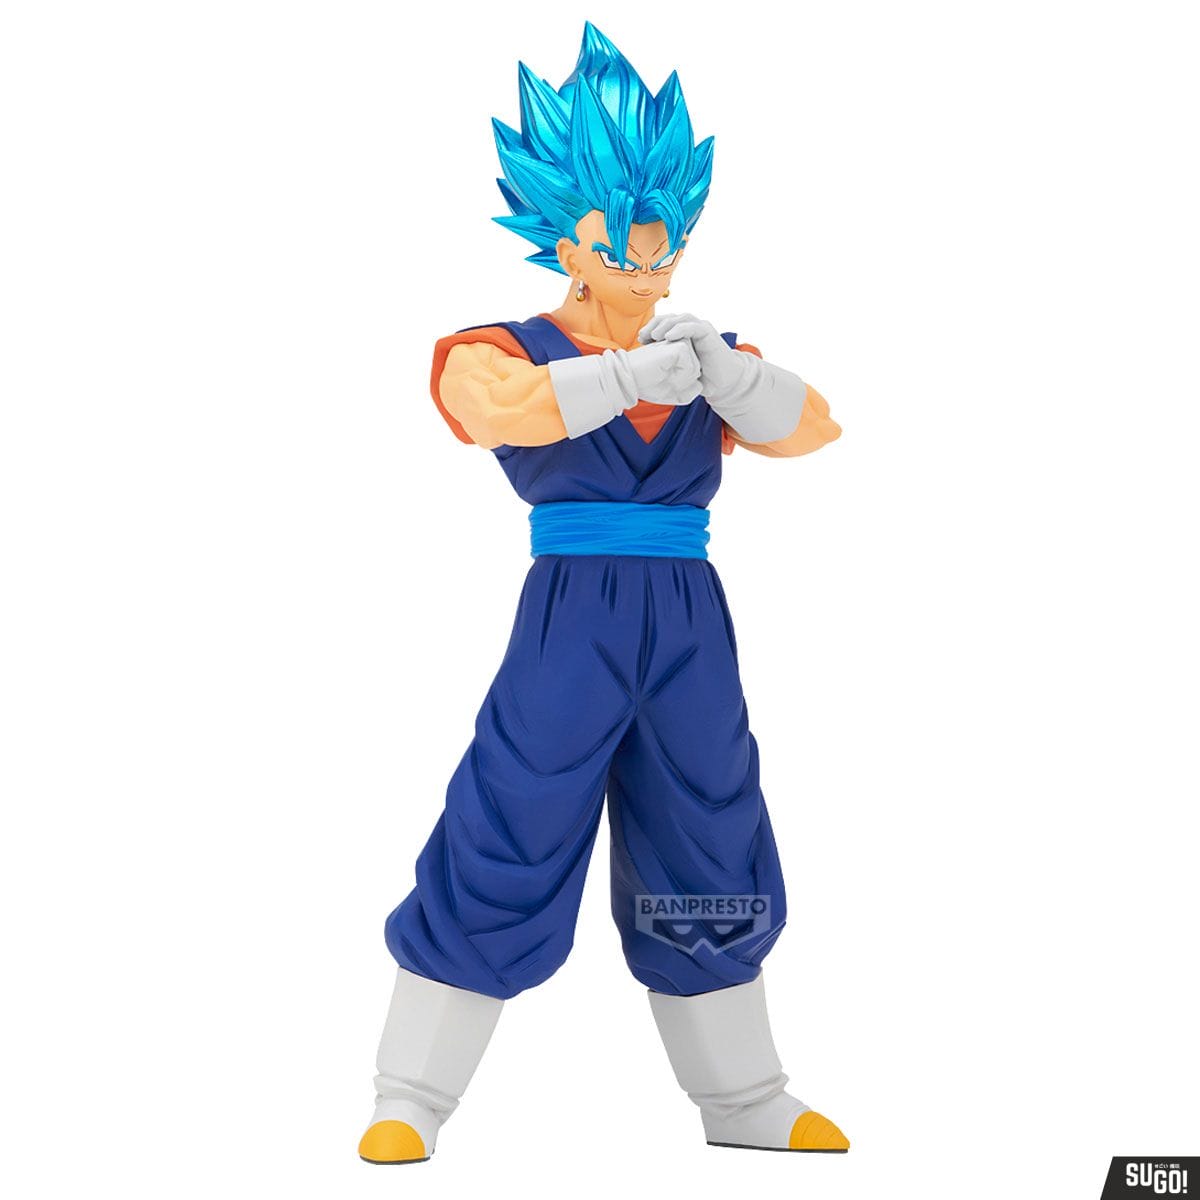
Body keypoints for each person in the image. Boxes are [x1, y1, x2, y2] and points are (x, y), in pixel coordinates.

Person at [359, 22, 847, 1165]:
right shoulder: (500, 345)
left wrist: (733, 375)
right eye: (622, 224)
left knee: (710, 823)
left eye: (666, 223)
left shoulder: (710, 350)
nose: (647, 247)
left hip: (689, 619)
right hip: (572, 616)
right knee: (513, 815)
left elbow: (814, 428)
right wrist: (621, 377)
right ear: (567, 230)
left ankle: (744, 1098)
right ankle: (410, 1093)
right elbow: (491, 408)